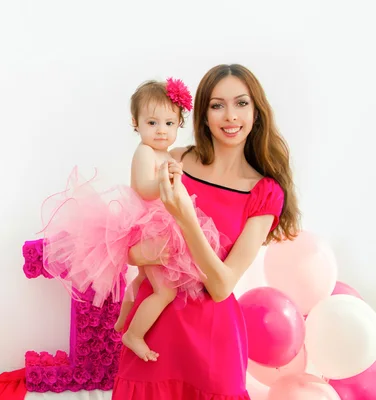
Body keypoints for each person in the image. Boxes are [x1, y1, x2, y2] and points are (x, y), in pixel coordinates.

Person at [111, 64, 301, 400]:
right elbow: (130, 240)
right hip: (153, 335)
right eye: (217, 105)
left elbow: (221, 285)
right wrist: (142, 253)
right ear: (203, 114)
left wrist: (186, 218)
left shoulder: (265, 192)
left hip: (212, 344)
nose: (230, 116)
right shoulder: (175, 160)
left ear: (256, 111)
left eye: (241, 103)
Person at [38, 77, 225, 362]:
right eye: (152, 123)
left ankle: (122, 320)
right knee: (165, 293)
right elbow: (142, 188)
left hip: (160, 222)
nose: (161, 131)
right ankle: (134, 335)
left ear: (179, 124)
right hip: (147, 225)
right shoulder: (145, 152)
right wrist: (167, 181)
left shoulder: (164, 153)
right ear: (136, 124)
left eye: (169, 123)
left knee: (142, 280)